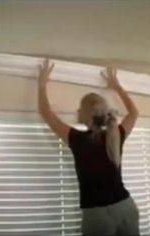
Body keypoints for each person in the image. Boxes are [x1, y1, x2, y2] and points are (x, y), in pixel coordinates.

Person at [38, 59, 140, 236]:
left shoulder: (78, 139)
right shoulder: (116, 135)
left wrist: (41, 83)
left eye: (79, 109)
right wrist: (116, 86)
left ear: (84, 114)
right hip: (126, 207)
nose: (77, 111)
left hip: (97, 214)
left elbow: (46, 113)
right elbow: (134, 113)